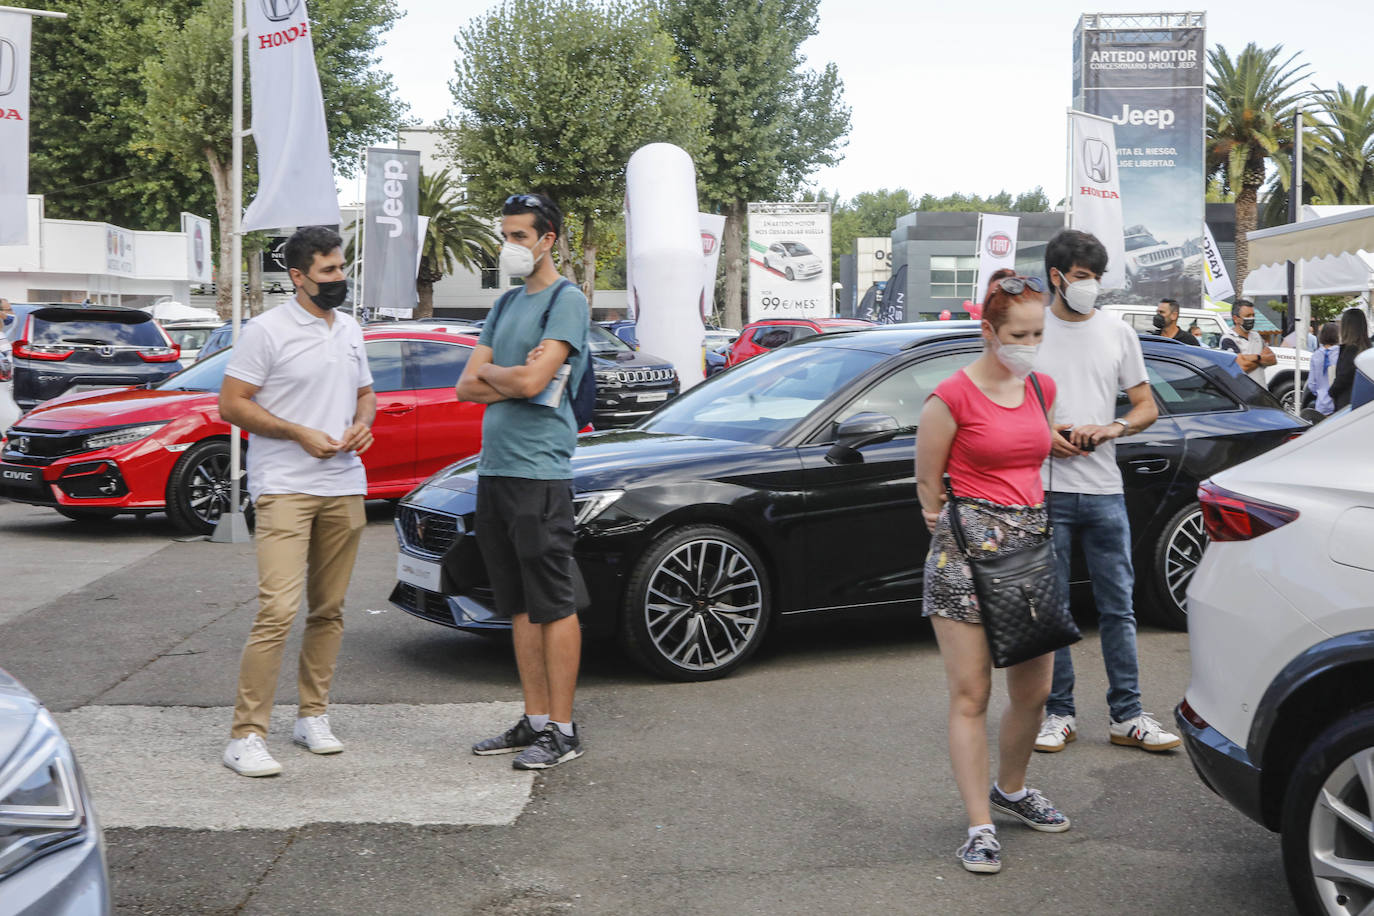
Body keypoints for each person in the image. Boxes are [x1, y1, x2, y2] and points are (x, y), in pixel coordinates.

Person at [916, 269, 1070, 875]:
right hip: (965, 561)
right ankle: (979, 825)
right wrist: (953, 526)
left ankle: (1013, 788)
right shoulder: (949, 397)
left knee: (1034, 692)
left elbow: (1038, 445)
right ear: (988, 331)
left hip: (1031, 553)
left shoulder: (1041, 388)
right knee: (971, 693)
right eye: (1020, 334)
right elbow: (928, 483)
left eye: (1037, 334)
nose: (1030, 344)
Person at [219, 226, 376, 777]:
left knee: (329, 610)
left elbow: (365, 393)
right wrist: (297, 433)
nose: (340, 278)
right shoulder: (266, 331)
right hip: (284, 485)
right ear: (298, 275)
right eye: (329, 270)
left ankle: (313, 716)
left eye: (341, 268)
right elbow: (232, 405)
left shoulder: (351, 329)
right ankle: (246, 735)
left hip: (344, 484)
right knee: (277, 610)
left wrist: (362, 425)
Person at [1031, 229, 1181, 756]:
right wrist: (1041, 434)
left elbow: (1145, 406)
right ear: (1056, 276)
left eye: (1095, 278)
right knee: (1053, 608)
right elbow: (1004, 400)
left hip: (1103, 489)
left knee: (1118, 606)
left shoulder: (1118, 332)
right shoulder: (1031, 328)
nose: (1090, 287)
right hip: (1044, 490)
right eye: (1081, 278)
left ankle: (1128, 714)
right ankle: (1059, 713)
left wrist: (1112, 429)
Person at [457, 193, 591, 770]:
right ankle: (535, 720)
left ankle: (562, 729)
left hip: (539, 472)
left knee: (553, 603)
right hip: (496, 469)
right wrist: (504, 374)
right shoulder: (507, 303)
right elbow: (466, 386)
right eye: (505, 234)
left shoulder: (567, 302)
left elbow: (538, 382)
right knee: (516, 604)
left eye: (518, 235)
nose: (509, 245)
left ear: (547, 240)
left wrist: (512, 376)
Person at [1219, 299, 1276, 384]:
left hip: (1261, 389)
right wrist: (1260, 358)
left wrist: (1247, 358)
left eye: (1253, 315)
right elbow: (1239, 367)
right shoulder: (1228, 339)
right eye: (1248, 315)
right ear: (1236, 319)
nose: (1251, 318)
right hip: (1242, 393)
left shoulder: (1257, 336)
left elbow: (1272, 359)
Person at [1330, 309, 1372, 410]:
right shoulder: (1368, 349)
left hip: (1347, 404)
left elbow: (1343, 377)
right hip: (1364, 402)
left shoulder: (1351, 350)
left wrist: (1331, 391)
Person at [1305, 321, 1341, 415]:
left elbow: (1311, 383)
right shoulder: (1341, 354)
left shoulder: (1315, 355)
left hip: (1320, 405)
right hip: (1337, 404)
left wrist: (1320, 393)